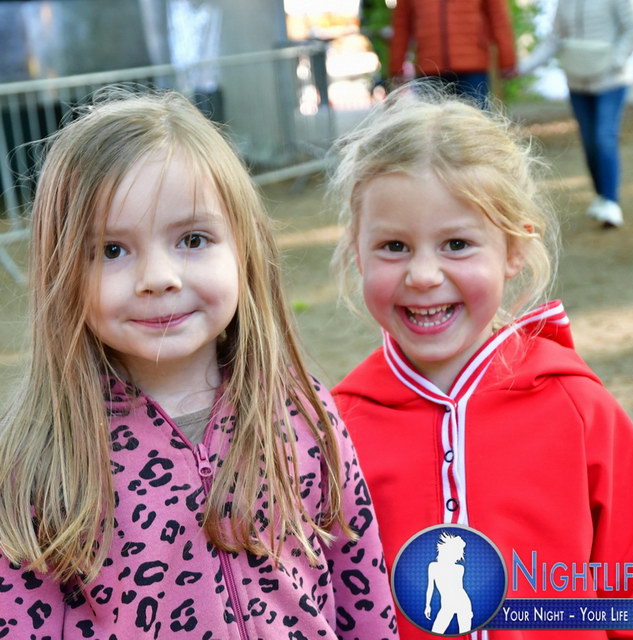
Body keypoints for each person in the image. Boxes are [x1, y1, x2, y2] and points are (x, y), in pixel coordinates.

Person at [0, 89, 398, 640]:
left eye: (192, 239)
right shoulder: (42, 456)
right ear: (62, 273)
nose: (158, 277)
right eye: (112, 250)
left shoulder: (302, 412)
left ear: (243, 247)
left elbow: (361, 585)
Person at [330, 87, 633, 639]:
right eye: (394, 246)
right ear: (357, 250)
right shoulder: (332, 432)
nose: (424, 275)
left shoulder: (580, 409)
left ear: (514, 249)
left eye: (456, 244)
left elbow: (627, 600)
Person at [518, 0, 633, 228]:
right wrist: (522, 67)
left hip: (612, 81)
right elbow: (554, 39)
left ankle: (611, 201)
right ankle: (601, 195)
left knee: (604, 137)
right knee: (589, 141)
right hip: (577, 82)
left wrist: (616, 60)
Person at [388, 0, 517, 106]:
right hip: (430, 69)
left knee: (474, 123)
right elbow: (401, 24)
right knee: (429, 125)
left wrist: (507, 60)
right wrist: (396, 66)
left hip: (472, 68)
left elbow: (498, 17)